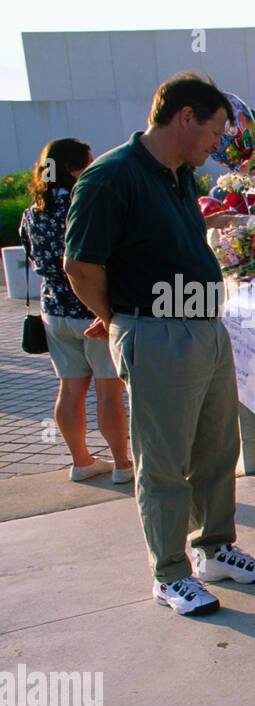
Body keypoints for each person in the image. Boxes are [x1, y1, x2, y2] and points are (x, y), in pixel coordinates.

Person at [64, 72, 255, 618]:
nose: (218, 144)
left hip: (205, 329)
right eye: (215, 131)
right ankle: (170, 573)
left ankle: (215, 550)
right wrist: (119, 320)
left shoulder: (179, 176)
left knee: (215, 451)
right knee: (163, 461)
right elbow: (80, 266)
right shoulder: (111, 178)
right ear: (186, 117)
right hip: (157, 332)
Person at [18, 138, 132, 484]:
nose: (94, 165)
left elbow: (31, 253)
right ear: (73, 168)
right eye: (88, 161)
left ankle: (81, 462)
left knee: (70, 390)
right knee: (108, 391)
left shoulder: (32, 212)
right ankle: (122, 465)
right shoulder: (84, 205)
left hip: (53, 311)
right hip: (93, 311)